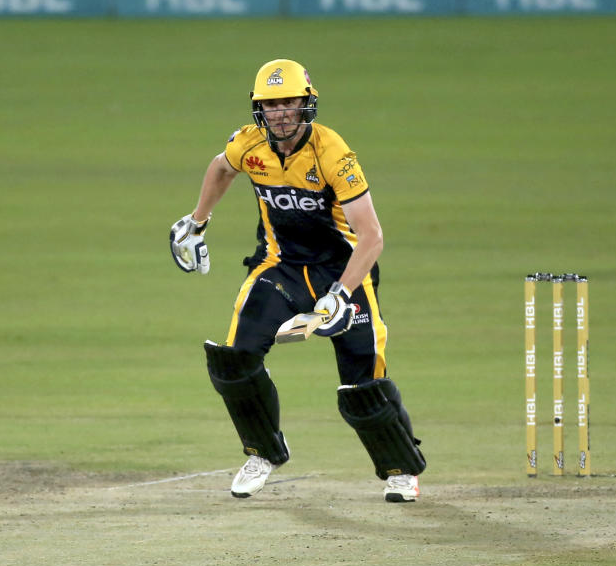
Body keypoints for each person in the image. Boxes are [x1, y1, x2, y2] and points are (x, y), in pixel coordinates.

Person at [169, 59, 426, 503]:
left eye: (289, 102)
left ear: (307, 103)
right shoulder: (250, 144)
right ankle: (263, 453)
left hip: (343, 271)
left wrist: (341, 295)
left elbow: (372, 237)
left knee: (361, 386)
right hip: (281, 267)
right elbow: (221, 168)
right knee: (234, 362)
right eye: (271, 104)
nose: (281, 112)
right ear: (258, 109)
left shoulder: (334, 154)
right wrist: (197, 222)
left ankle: (401, 471)